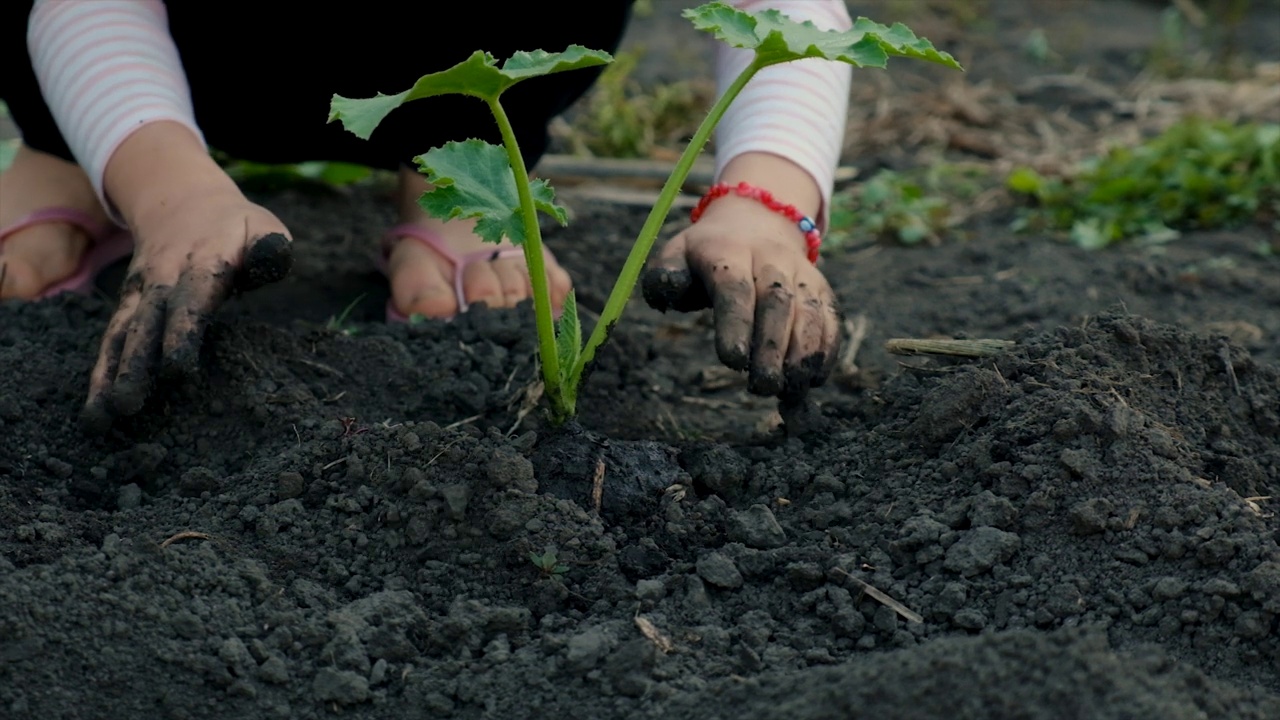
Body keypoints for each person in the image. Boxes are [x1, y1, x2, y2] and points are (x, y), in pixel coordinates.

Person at [0, 0, 851, 432]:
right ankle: (88, 150)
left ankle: (460, 168)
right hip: (178, 40)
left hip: (450, 59)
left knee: (476, 88)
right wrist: (168, 191)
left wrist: (765, 199)